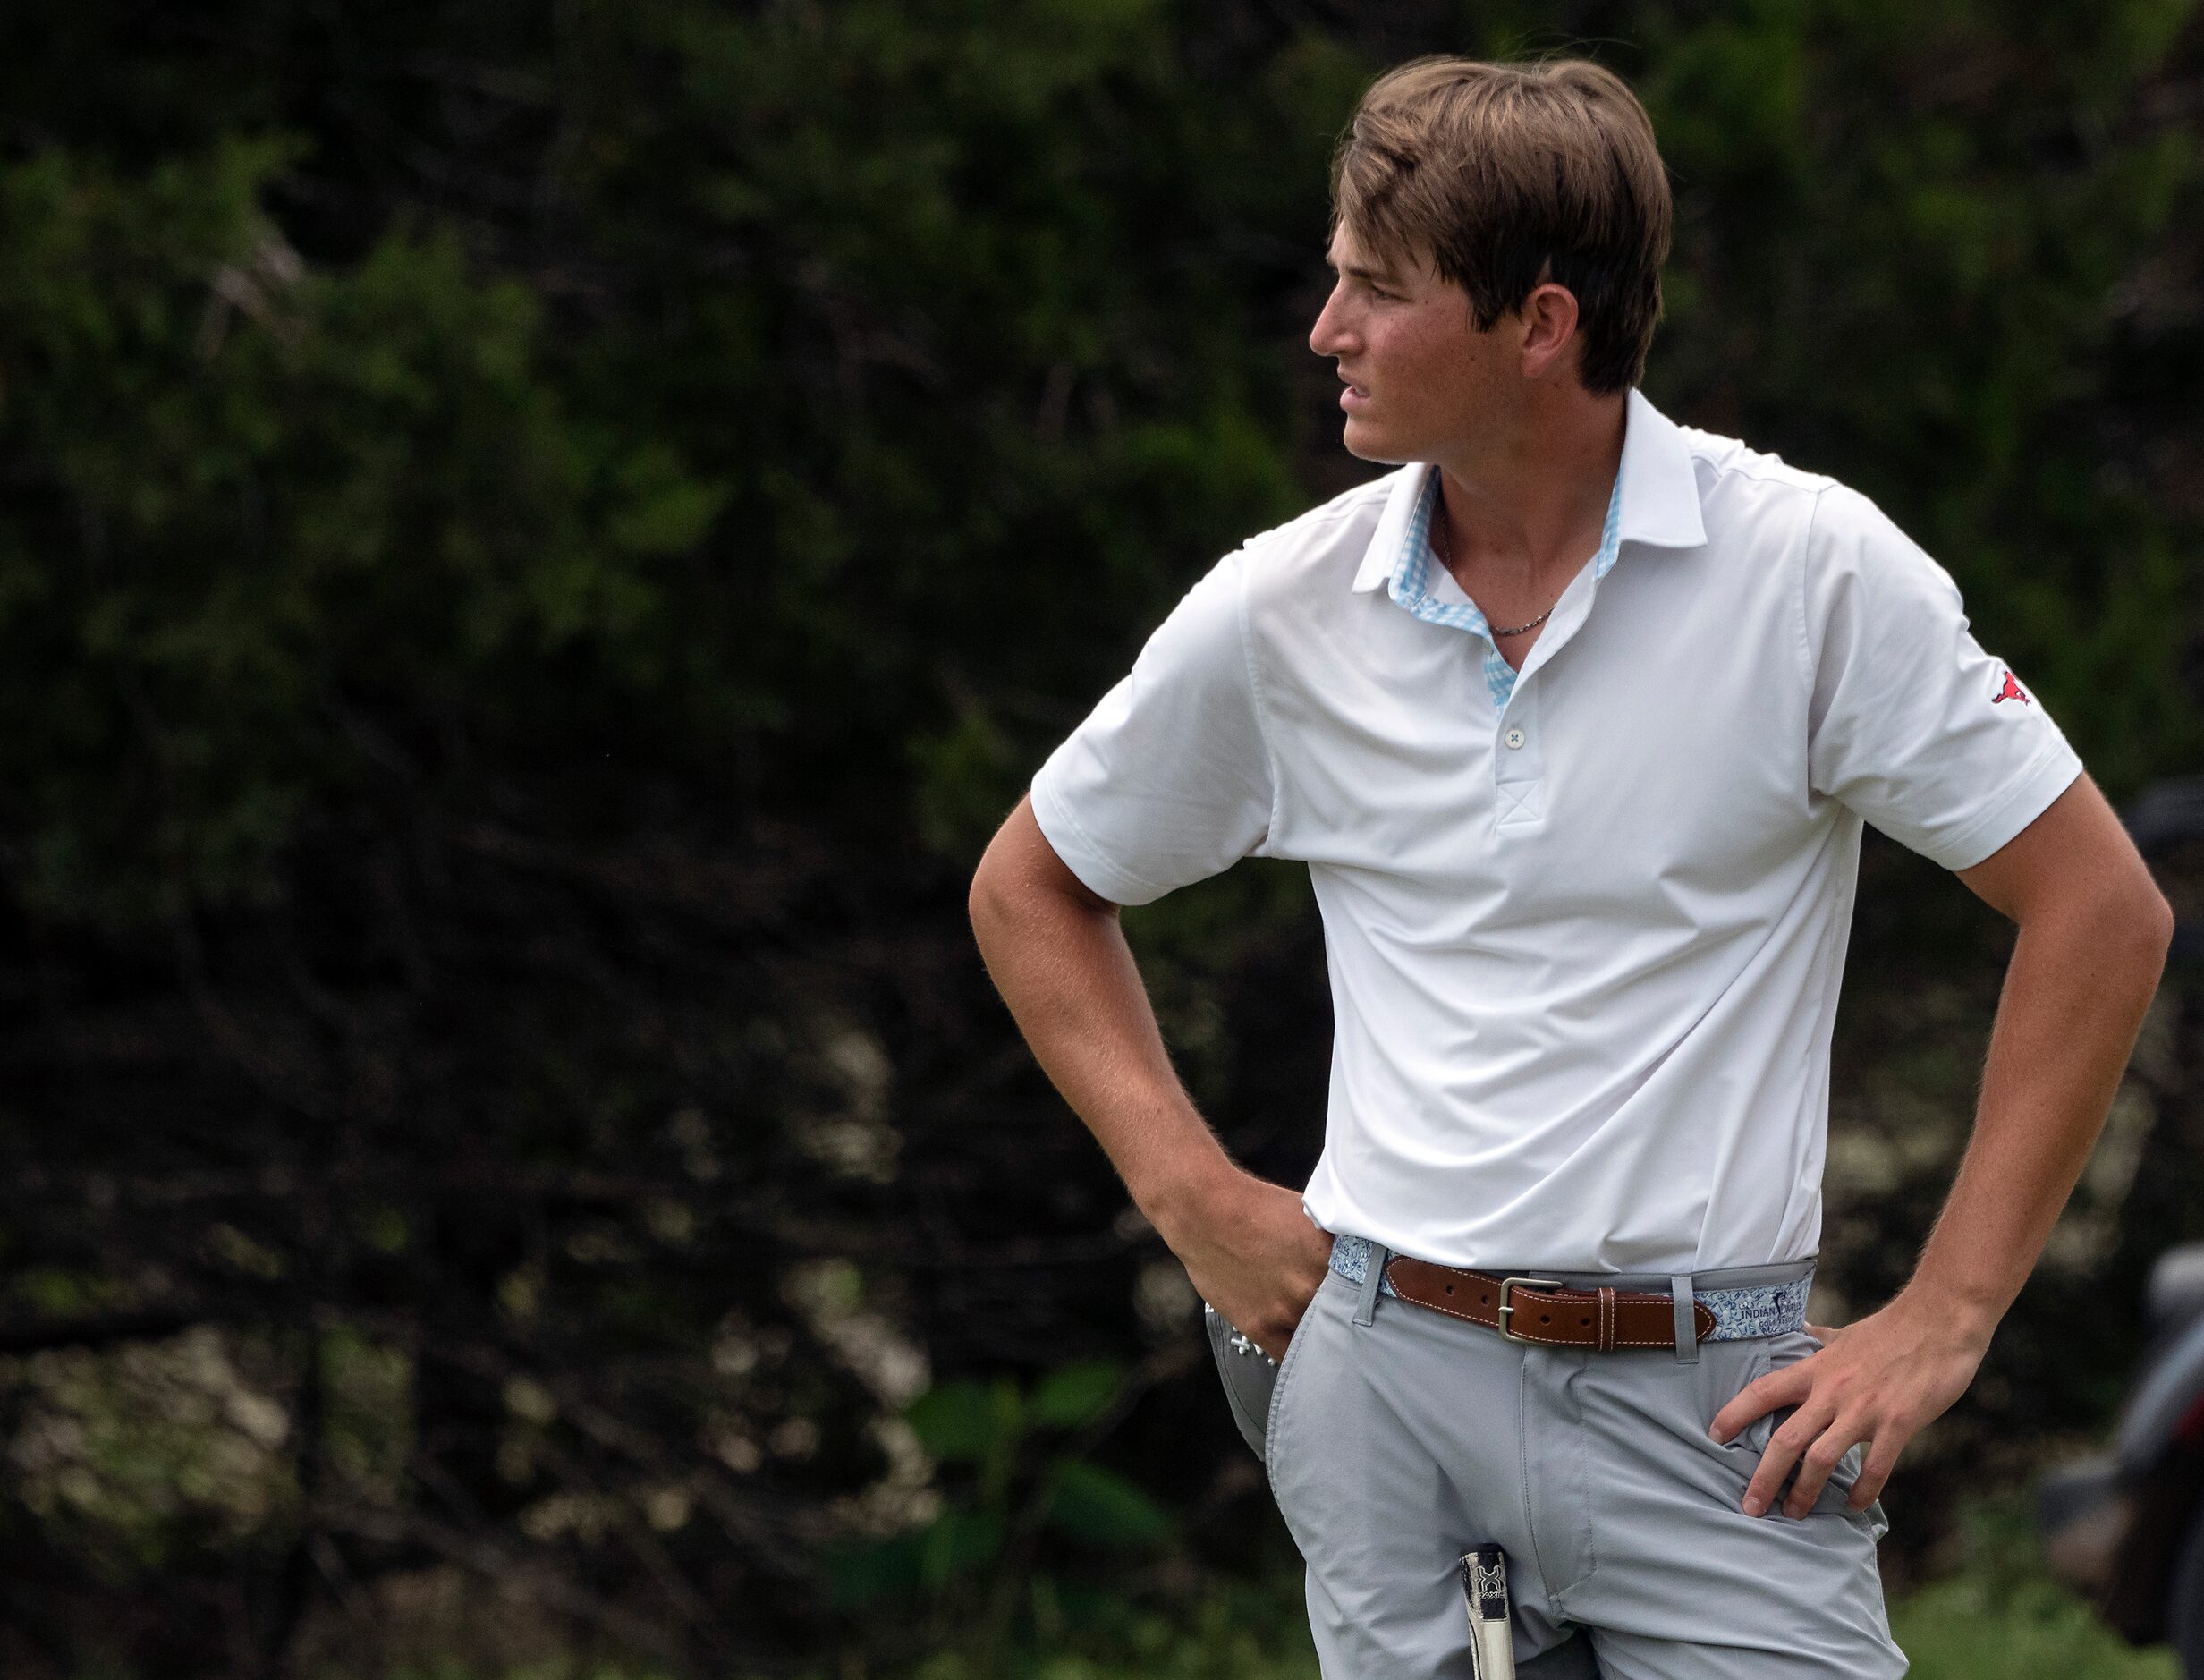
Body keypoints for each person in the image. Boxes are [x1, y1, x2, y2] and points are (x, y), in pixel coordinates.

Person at [966, 54, 2173, 1679]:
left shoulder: (1811, 571)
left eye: (1376, 292)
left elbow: (2101, 906)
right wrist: (1193, 1197)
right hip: (1386, 1393)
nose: (1326, 331)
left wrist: (1946, 1313)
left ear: (1540, 326)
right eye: (1336, 280)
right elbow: (1031, 884)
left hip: (1722, 1414)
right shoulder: (1281, 608)